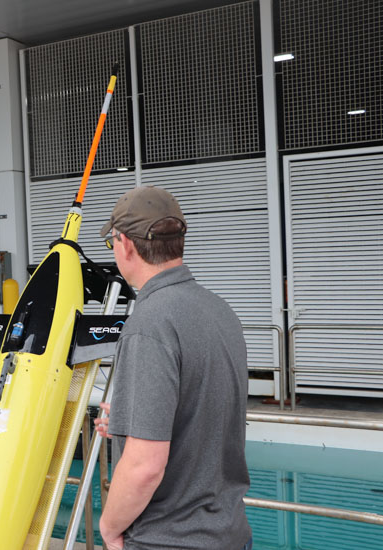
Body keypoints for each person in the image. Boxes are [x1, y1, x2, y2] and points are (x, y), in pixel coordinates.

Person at [94, 186, 251, 550]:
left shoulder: (149, 324)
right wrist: (131, 420)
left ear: (127, 245)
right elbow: (206, 409)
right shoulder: (221, 311)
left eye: (112, 243)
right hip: (231, 534)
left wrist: (109, 527)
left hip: (169, 540)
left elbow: (145, 466)